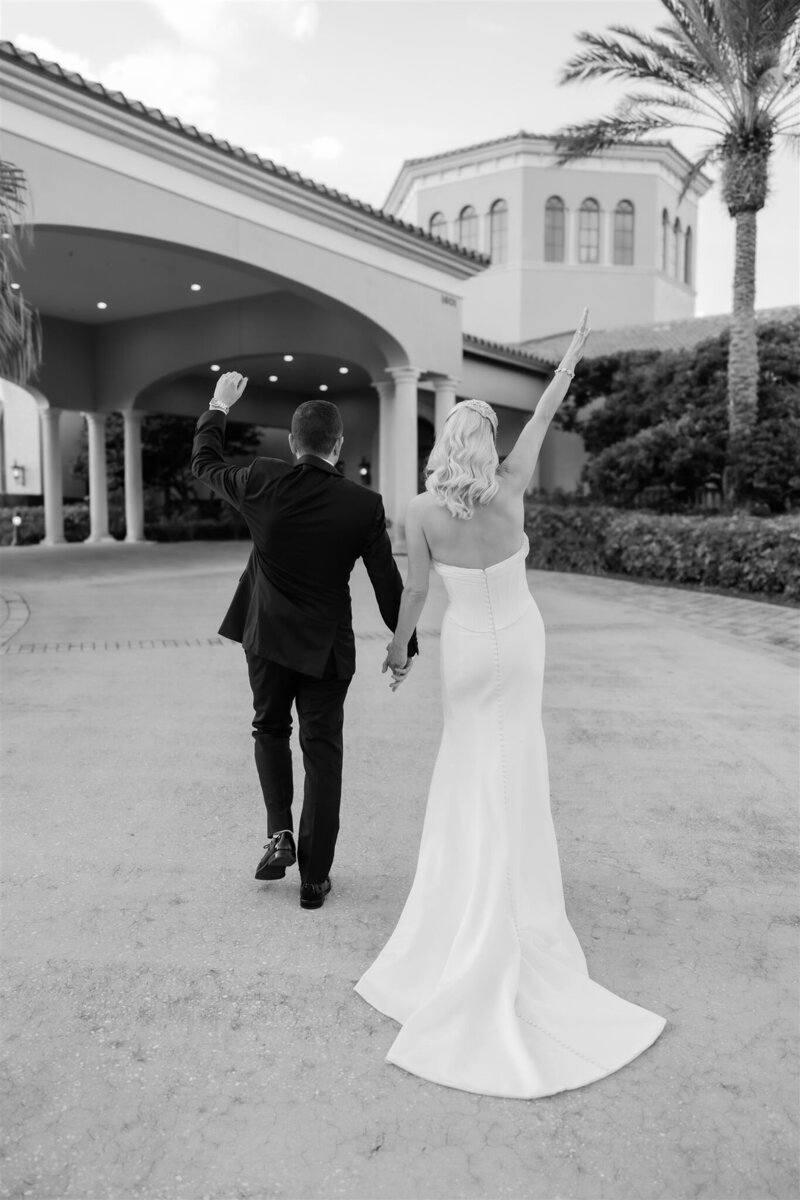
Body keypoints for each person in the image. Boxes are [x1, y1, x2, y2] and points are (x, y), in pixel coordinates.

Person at [355, 310, 666, 1098]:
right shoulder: (514, 483)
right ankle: (517, 894)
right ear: (485, 449)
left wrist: (395, 654)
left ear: (441, 447)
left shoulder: (421, 512)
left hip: (464, 649)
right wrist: (571, 353)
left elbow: (417, 592)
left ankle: (466, 900)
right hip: (520, 642)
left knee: (466, 767)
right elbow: (549, 407)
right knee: (516, 766)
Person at [192, 386, 417, 909]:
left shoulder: (261, 479)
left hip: (266, 640)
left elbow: (204, 461)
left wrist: (219, 406)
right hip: (327, 652)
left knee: (269, 728)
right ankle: (314, 880)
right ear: (337, 445)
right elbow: (388, 582)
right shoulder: (363, 504)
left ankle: (279, 833)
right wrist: (403, 645)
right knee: (323, 756)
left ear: (294, 443)